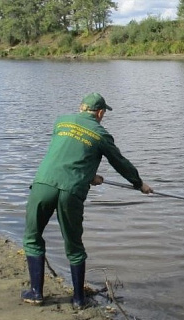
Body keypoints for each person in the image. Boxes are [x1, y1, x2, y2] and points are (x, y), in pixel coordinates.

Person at [21, 92, 153, 308]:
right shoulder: (101, 134)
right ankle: (79, 299)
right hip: (70, 191)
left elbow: (66, 152)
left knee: (32, 237)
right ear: (100, 113)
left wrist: (88, 175)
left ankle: (36, 293)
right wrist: (139, 184)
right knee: (74, 245)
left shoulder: (61, 121)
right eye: (103, 113)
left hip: (43, 185)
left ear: (81, 107)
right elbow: (120, 162)